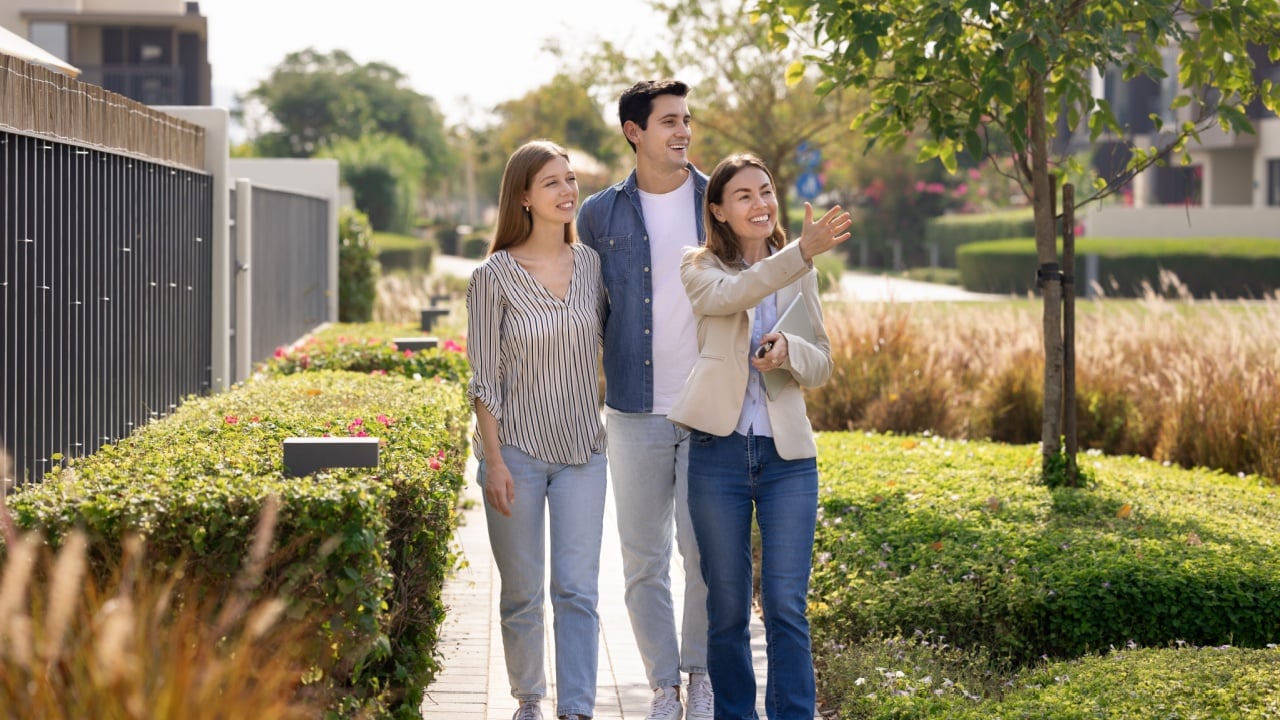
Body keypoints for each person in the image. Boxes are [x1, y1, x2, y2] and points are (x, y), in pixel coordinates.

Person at [667, 153, 851, 719]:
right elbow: (734, 296)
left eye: (765, 191)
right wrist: (800, 253)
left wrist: (791, 352)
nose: (760, 204)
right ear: (718, 210)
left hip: (788, 458)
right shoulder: (698, 267)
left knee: (786, 606)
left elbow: (822, 364)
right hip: (717, 455)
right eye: (743, 195)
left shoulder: (802, 269)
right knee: (725, 608)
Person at [577, 79, 713, 720]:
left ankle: (701, 673)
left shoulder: (718, 200)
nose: (682, 131)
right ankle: (663, 685)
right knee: (642, 560)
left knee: (706, 555)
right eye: (668, 121)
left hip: (710, 408)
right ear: (634, 131)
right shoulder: (599, 214)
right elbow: (583, 310)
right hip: (632, 409)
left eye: (686, 120)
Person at [466, 139, 608, 720]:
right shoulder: (493, 275)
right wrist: (493, 461)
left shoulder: (593, 265)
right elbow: (482, 378)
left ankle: (576, 708)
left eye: (570, 180)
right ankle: (529, 699)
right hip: (516, 454)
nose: (567, 191)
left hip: (582, 452)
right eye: (551, 182)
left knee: (576, 590)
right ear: (523, 196)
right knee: (523, 593)